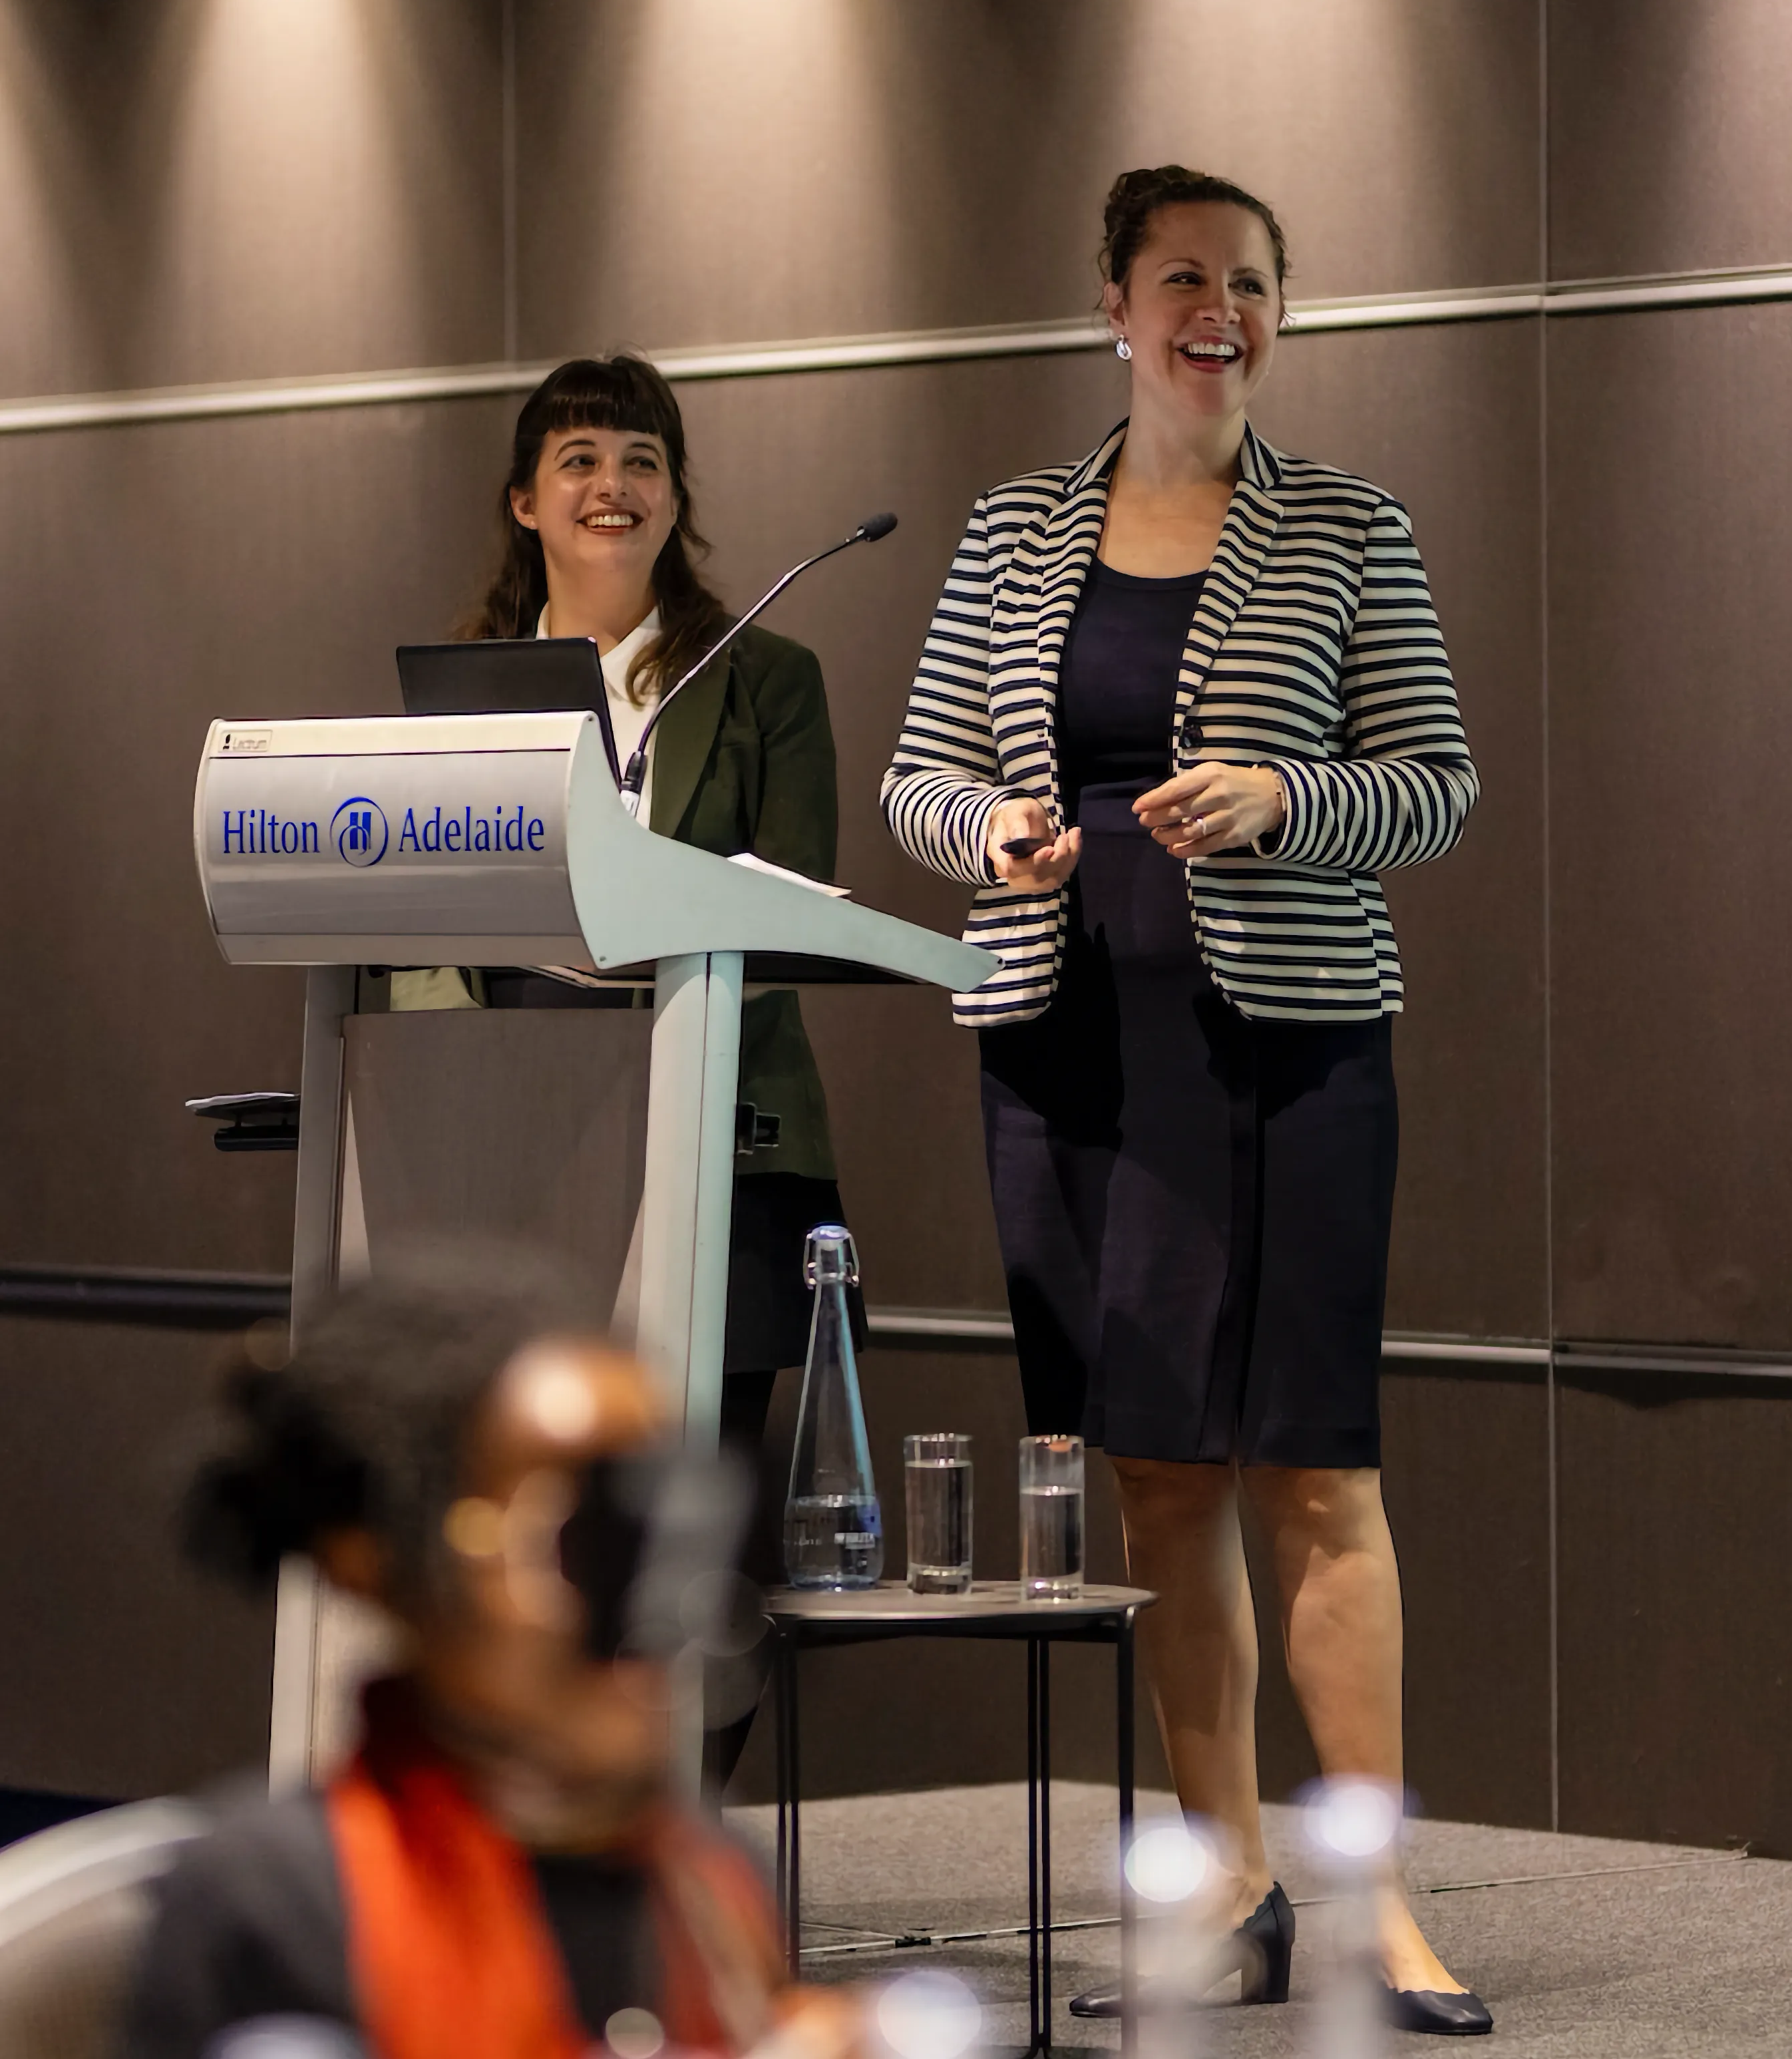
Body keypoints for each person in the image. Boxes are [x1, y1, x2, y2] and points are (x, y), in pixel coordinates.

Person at [881, 166, 1485, 2035]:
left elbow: (1438, 785)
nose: (1213, 309)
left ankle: (1369, 1898)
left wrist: (1285, 802)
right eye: (1179, 280)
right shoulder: (1005, 533)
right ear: (1114, 307)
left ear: (1275, 316)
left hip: (1286, 1049)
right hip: (1067, 1052)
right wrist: (981, 830)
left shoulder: (1346, 529)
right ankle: (1225, 1881)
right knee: (1150, 1478)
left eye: (1245, 283)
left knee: (1313, 1469)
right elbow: (914, 777)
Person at [429, 355, 854, 1773]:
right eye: (580, 460)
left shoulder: (764, 682)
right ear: (525, 500)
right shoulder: (470, 692)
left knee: (697, 1526)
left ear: (678, 497)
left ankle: (678, 1836)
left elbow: (794, 900)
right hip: (524, 1139)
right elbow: (425, 911)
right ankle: (544, 1822)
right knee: (546, 1516)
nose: (613, 486)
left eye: (642, 461)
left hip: (727, 1140)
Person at [125, 1264, 852, 2059]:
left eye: (665, 1531)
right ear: (375, 1562)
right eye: (580, 1540)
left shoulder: (715, 1878)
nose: (650, 1605)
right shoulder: (270, 1899)